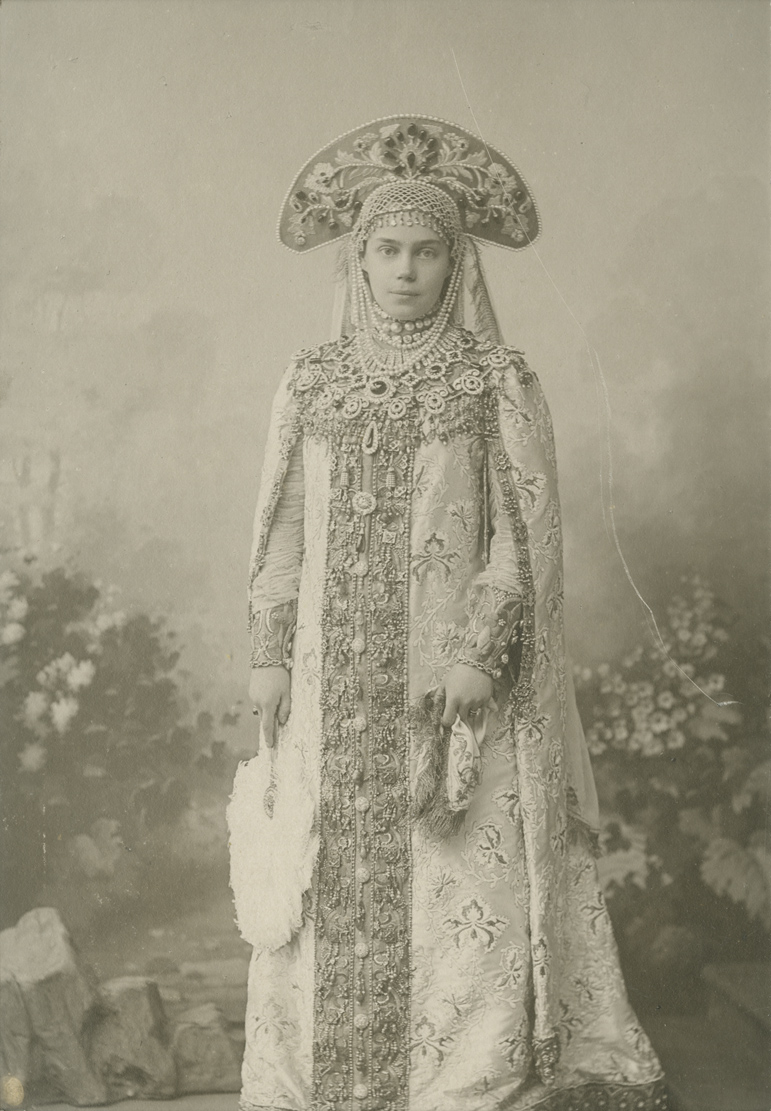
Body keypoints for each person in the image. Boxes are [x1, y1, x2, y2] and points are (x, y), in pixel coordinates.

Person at [228, 116, 667, 1111]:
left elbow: (524, 539)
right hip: (330, 700)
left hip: (454, 695)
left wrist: (478, 650)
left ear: (456, 262)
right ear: (359, 258)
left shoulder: (494, 380)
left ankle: (462, 1078)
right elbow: (280, 533)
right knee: (326, 877)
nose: (405, 271)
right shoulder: (312, 380)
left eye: (427, 252)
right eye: (387, 251)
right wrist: (268, 657)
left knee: (458, 888)